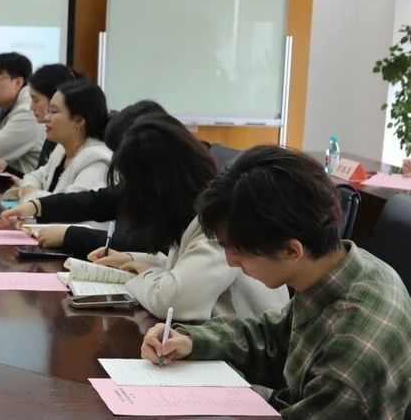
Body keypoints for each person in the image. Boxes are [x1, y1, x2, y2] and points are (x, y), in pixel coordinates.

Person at [141, 146, 411, 419]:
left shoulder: (349, 365)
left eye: (239, 251)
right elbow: (274, 340)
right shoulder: (346, 270)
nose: (231, 262)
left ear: (291, 250)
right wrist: (191, 341)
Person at [7, 115, 288, 320]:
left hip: (241, 369)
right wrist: (132, 260)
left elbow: (175, 300)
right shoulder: (193, 210)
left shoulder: (218, 224)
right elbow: (183, 268)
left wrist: (135, 277)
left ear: (155, 187)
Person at [0, 99, 166, 255]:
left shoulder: (168, 194)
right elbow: (95, 201)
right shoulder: (142, 182)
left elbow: (138, 245)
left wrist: (68, 235)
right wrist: (37, 206)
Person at [0, 78, 112, 201]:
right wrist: (29, 189)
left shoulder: (96, 161)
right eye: (48, 110)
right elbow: (34, 177)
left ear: (78, 120)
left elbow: (68, 206)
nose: (46, 117)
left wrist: (30, 193)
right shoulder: (61, 150)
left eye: (54, 111)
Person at [25, 64, 81, 169]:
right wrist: (6, 169)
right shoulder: (53, 134)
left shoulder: (74, 143)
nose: (31, 107)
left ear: (55, 97)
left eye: (36, 100)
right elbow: (42, 177)